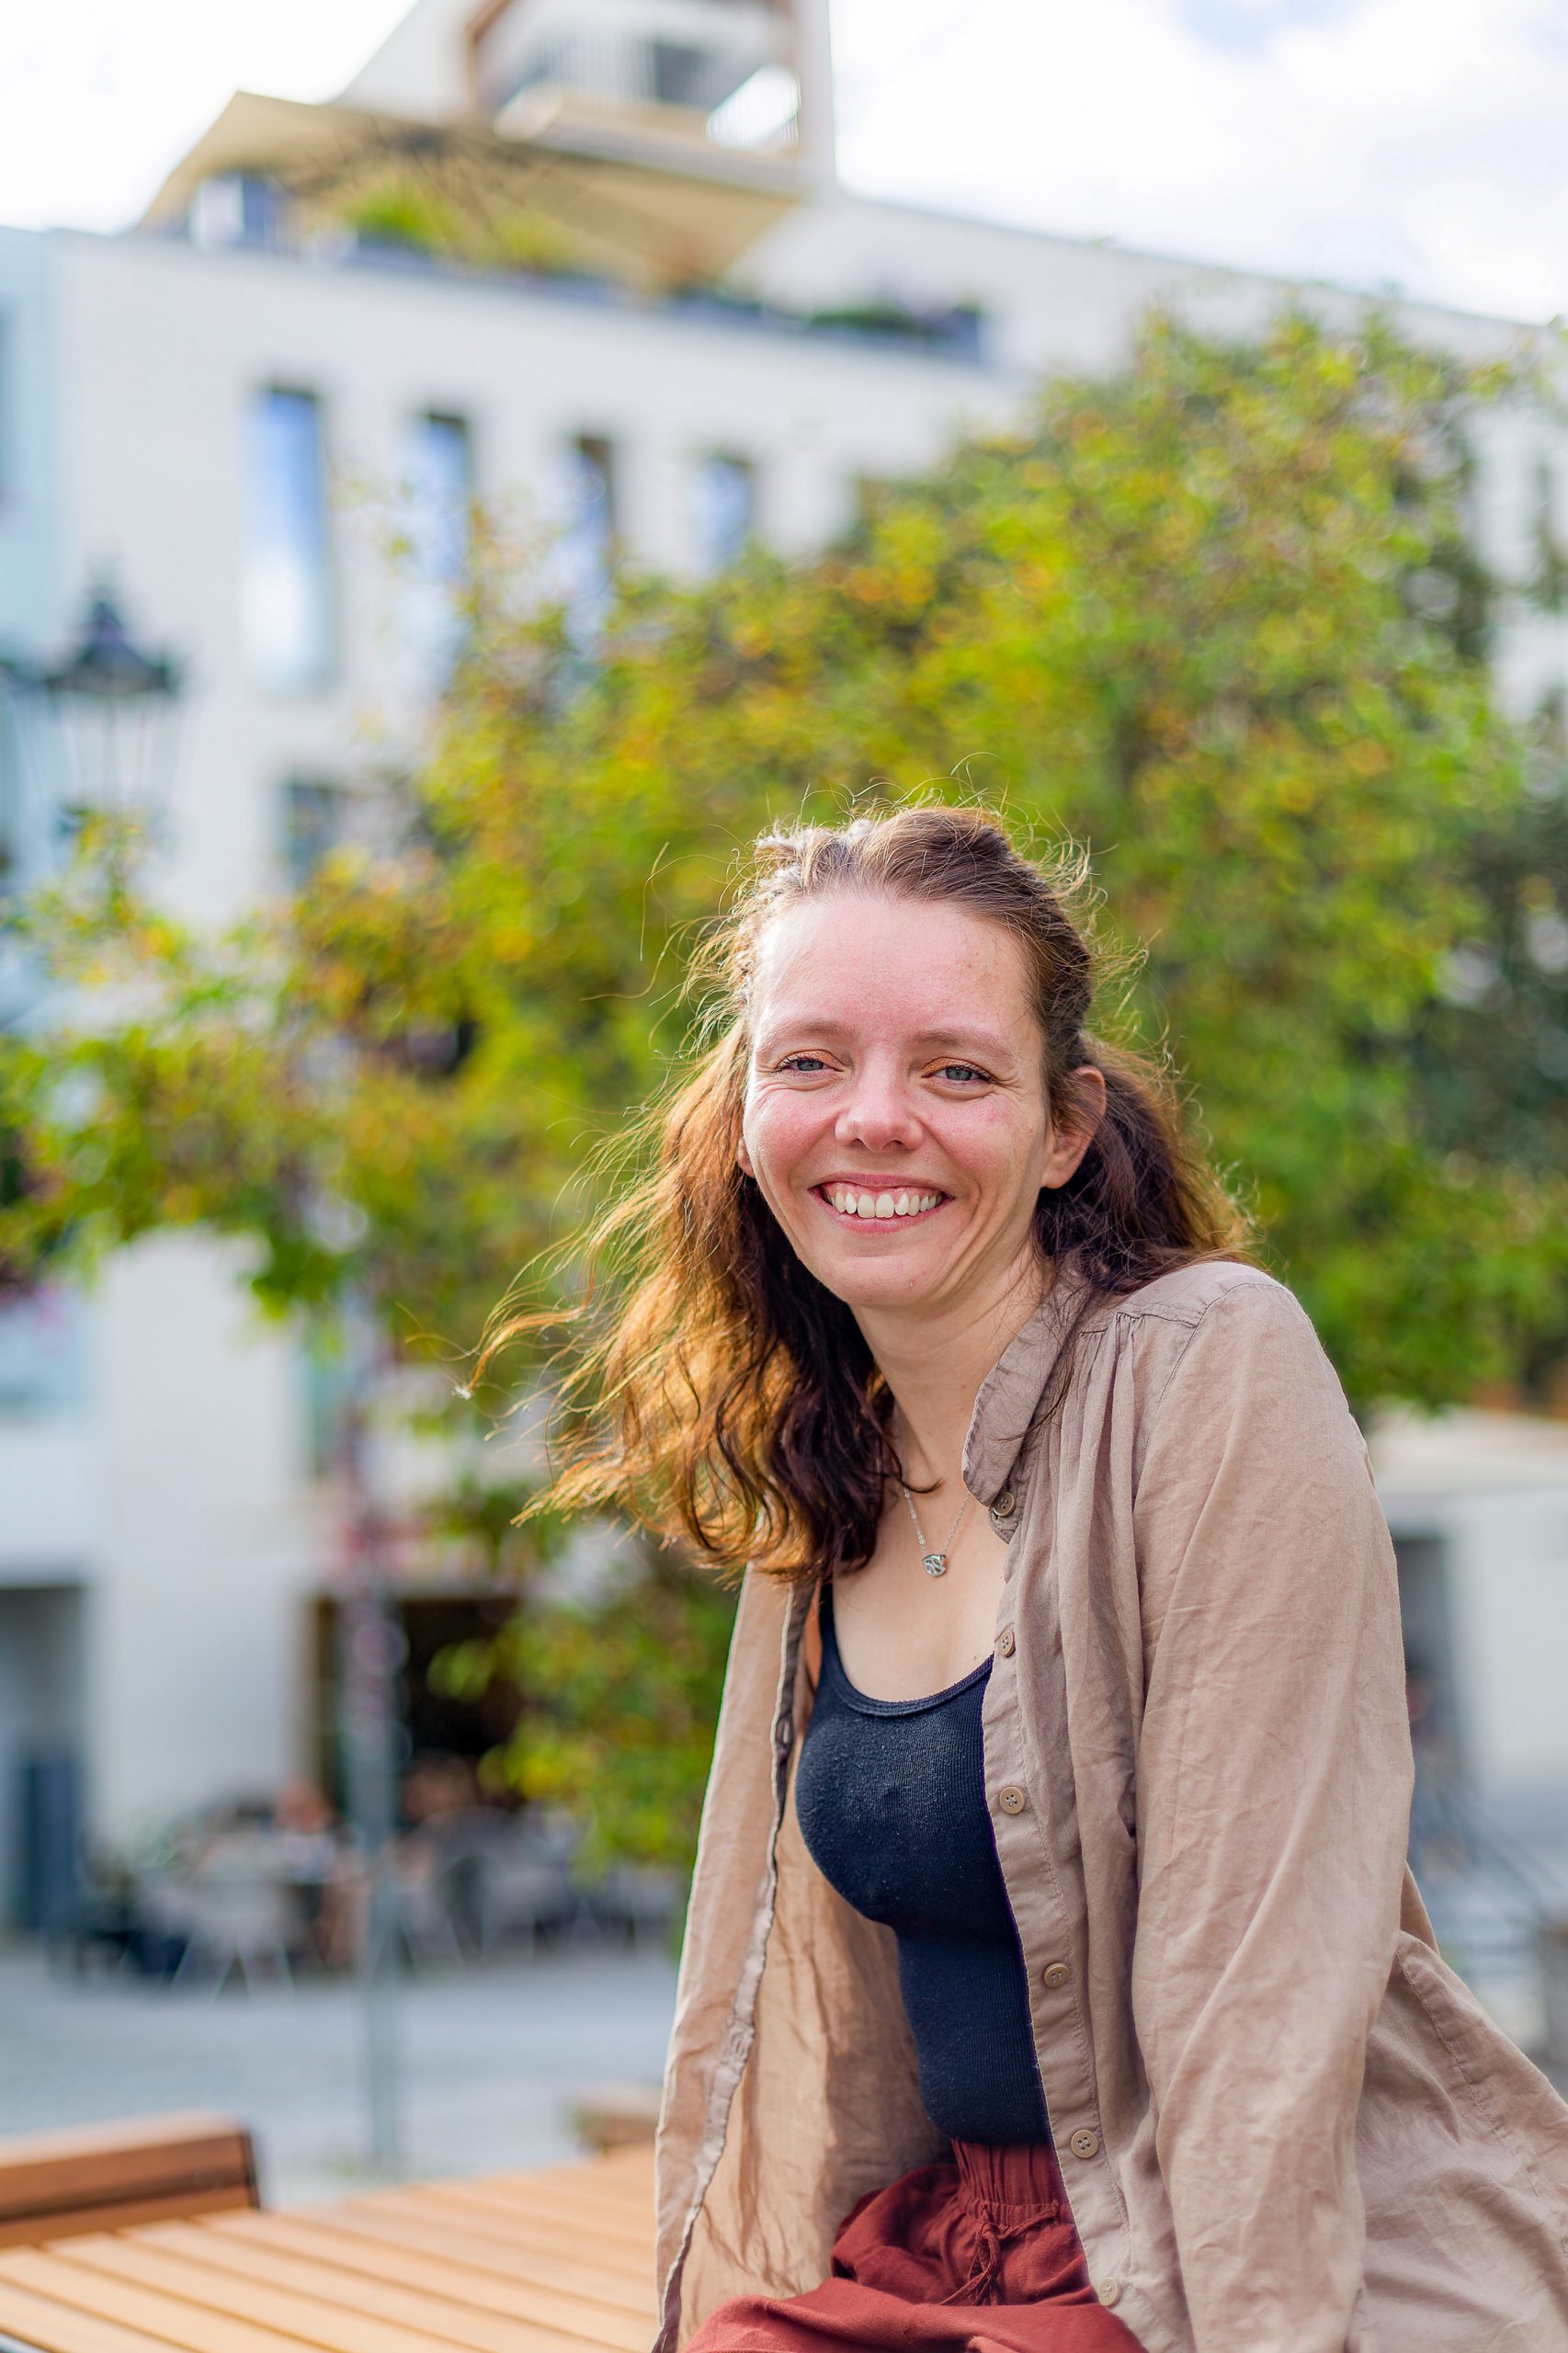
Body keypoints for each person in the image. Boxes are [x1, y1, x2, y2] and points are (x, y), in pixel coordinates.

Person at [518, 806, 1568, 2351]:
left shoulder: (1208, 1364)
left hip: (1205, 2252)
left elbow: (1253, 1988)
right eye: (807, 1061)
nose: (871, 1118)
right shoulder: (830, 1460)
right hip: (951, 2252)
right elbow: (778, 2021)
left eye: (953, 1068)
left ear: (1064, 1124)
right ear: (743, 1109)